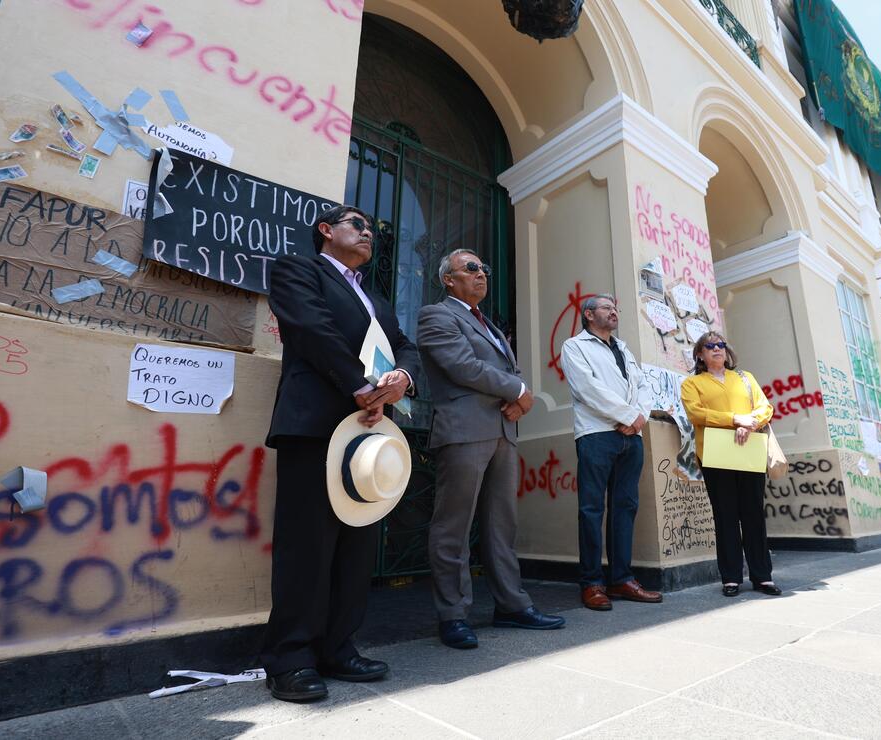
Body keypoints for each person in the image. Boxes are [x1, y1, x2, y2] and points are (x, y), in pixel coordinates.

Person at [262, 205, 419, 702]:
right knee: (306, 544)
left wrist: (402, 378)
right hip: (315, 423)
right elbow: (312, 328)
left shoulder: (376, 299)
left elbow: (405, 346)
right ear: (326, 231)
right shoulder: (297, 269)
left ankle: (338, 647)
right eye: (358, 225)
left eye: (372, 228)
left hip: (367, 436)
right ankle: (291, 659)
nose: (369, 232)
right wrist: (360, 386)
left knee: (356, 546)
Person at [418, 248, 565, 649]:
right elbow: (462, 366)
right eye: (471, 268)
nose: (481, 273)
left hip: (502, 430)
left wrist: (519, 400)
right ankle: (453, 614)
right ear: (448, 279)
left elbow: (507, 371)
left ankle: (512, 605)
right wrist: (519, 391)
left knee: (502, 525)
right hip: (464, 430)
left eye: (484, 268)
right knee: (453, 525)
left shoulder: (491, 327)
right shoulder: (437, 315)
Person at [561, 293, 662, 610]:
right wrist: (629, 416)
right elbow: (588, 389)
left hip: (631, 436)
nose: (614, 311)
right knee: (591, 509)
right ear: (589, 314)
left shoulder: (624, 349)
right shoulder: (574, 346)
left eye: (615, 307)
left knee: (625, 507)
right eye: (607, 307)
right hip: (596, 434)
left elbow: (643, 386)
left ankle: (621, 579)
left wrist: (640, 417)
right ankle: (592, 583)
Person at [679, 332, 781, 598]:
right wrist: (736, 419)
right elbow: (696, 413)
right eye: (710, 346)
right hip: (716, 455)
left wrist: (751, 424)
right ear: (700, 354)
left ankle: (762, 576)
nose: (717, 348)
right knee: (725, 517)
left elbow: (765, 408)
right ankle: (731, 577)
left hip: (749, 450)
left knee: (753, 515)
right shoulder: (692, 383)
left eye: (720, 344)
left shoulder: (745, 378)